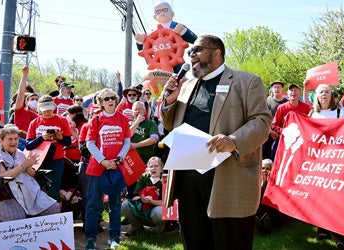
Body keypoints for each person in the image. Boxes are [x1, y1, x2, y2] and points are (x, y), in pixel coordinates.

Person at [160, 34, 272, 250]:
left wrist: (233, 141)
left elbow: (262, 121)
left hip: (228, 178)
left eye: (197, 50)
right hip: (189, 181)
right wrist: (168, 102)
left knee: (229, 241)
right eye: (190, 52)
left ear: (217, 52)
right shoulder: (186, 85)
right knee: (195, 241)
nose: (191, 54)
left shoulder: (247, 81)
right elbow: (170, 124)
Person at [84, 88, 131, 250]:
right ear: (101, 103)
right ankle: (90, 239)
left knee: (115, 204)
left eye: (112, 98)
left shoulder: (123, 119)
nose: (110, 100)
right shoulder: (96, 120)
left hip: (116, 168)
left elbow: (126, 141)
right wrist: (103, 161)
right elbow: (90, 144)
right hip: (97, 169)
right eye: (106, 99)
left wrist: (119, 159)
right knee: (93, 205)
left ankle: (114, 237)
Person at [0, 124, 60, 222]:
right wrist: (23, 165)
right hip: (5, 195)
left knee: (53, 208)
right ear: (0, 140)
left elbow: (31, 175)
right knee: (16, 218)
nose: (14, 142)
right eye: (10, 139)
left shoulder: (19, 153)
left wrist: (29, 165)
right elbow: (3, 178)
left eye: (16, 139)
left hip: (28, 192)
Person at [308, 83, 344, 249]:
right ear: (317, 96)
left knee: (337, 195)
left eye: (326, 92)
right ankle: (322, 228)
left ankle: (338, 233)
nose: (324, 94)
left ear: (331, 96)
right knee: (321, 195)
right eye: (320, 92)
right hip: (320, 160)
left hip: (338, 159)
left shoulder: (340, 112)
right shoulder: (313, 114)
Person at [26, 95, 72, 203]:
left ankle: (55, 216)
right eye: (44, 110)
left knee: (54, 189)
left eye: (49, 110)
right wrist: (41, 138)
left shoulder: (62, 120)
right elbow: (28, 145)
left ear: (54, 107)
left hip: (56, 160)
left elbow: (68, 142)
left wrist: (60, 138)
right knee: (36, 188)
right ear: (39, 109)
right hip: (37, 161)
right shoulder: (34, 123)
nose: (47, 112)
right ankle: (36, 216)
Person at [135, 1, 197, 74]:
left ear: (172, 13)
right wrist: (140, 41)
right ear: (155, 17)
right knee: (159, 82)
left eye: (165, 10)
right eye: (158, 11)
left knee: (178, 79)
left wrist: (183, 31)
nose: (162, 13)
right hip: (159, 65)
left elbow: (195, 40)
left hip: (176, 62)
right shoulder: (153, 33)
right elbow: (145, 51)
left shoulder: (178, 27)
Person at [121, 156, 166, 236]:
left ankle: (160, 230)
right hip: (142, 209)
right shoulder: (144, 177)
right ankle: (137, 228)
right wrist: (142, 199)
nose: (153, 168)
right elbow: (134, 196)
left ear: (161, 168)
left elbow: (166, 203)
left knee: (160, 211)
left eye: (156, 166)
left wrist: (151, 201)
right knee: (125, 205)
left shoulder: (165, 180)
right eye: (151, 166)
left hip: (155, 212)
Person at [262, 81, 288, 160]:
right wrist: (270, 131)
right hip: (268, 134)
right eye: (275, 87)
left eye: (279, 87)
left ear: (282, 89)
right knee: (266, 158)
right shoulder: (267, 103)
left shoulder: (287, 103)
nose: (277, 89)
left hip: (283, 134)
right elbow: (263, 119)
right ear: (272, 90)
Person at [12, 65, 39, 134]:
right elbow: (21, 93)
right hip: (21, 141)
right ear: (26, 102)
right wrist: (24, 75)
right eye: (32, 99)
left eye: (37, 99)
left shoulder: (40, 116)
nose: (35, 101)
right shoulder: (20, 111)